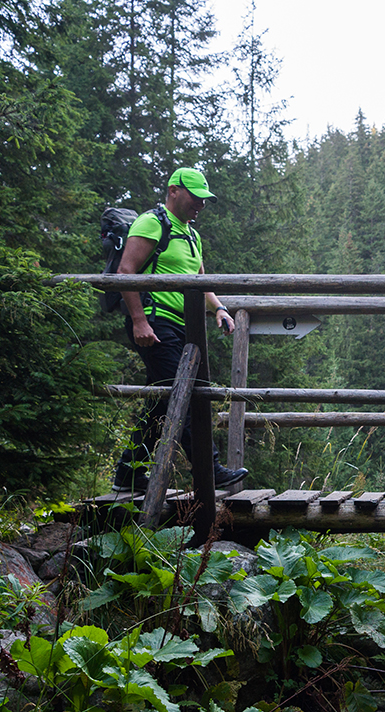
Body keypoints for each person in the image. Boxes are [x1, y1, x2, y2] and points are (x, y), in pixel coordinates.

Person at [113, 166, 249, 492]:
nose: (200, 205)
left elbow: (199, 282)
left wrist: (219, 309)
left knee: (162, 400)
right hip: (154, 322)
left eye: (204, 200)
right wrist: (139, 321)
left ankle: (127, 474)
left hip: (182, 327)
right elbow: (125, 272)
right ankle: (210, 468)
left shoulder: (191, 234)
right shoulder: (151, 223)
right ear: (174, 190)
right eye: (195, 197)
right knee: (184, 394)